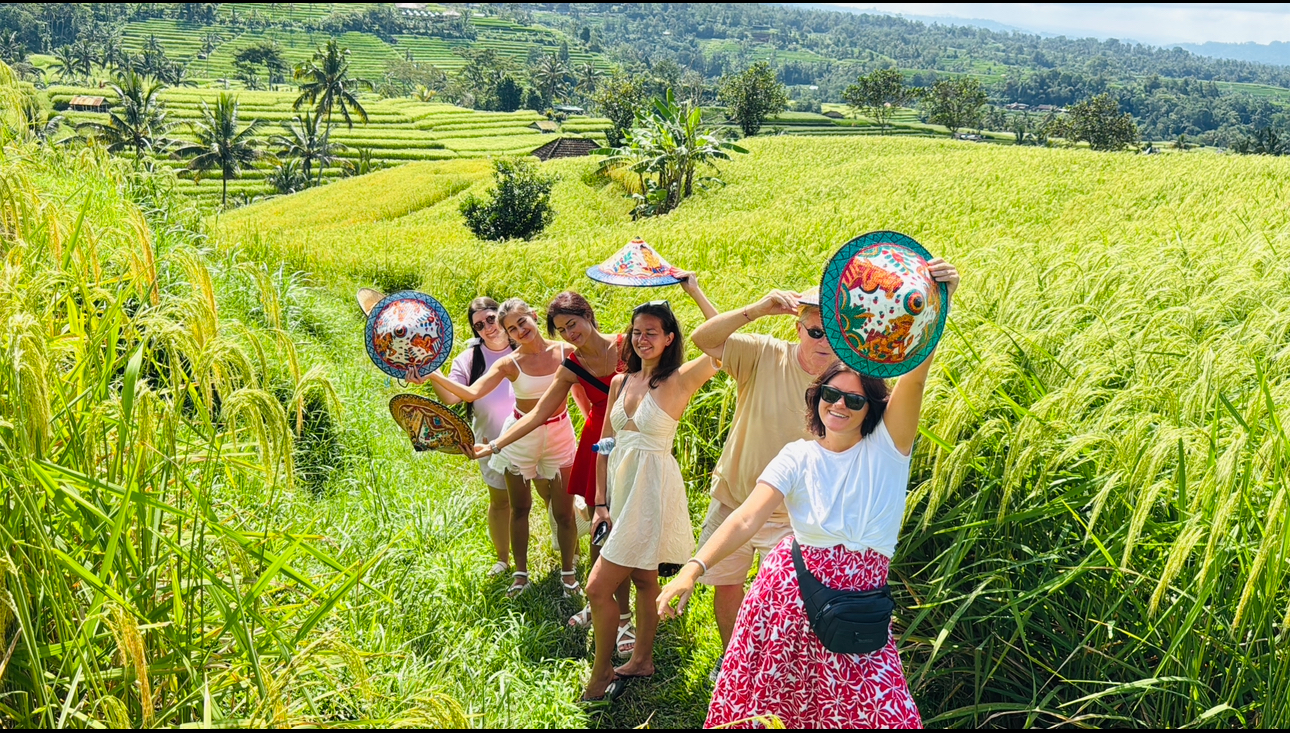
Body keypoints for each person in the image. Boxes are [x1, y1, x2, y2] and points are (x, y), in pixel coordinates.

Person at [658, 258, 959, 728]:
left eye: (854, 399)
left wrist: (938, 303)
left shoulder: (887, 450)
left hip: (855, 609)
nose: (840, 405)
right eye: (830, 395)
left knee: (882, 713)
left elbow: (915, 376)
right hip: (782, 604)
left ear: (872, 407)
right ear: (816, 399)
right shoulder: (797, 456)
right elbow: (745, 517)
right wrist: (692, 569)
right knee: (777, 711)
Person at [477, 276, 717, 645]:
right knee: (601, 528)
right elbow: (539, 412)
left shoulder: (628, 345)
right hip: (601, 442)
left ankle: (623, 613)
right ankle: (603, 604)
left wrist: (693, 291)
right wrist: (495, 445)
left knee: (635, 536)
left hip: (639, 444)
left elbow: (708, 353)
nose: (569, 333)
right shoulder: (573, 363)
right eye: (561, 329)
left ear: (589, 316)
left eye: (573, 323)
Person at [687, 285, 839, 679]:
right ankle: (733, 660)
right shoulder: (764, 352)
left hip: (796, 516)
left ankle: (777, 670)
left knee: (788, 600)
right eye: (815, 331)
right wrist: (758, 309)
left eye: (835, 333)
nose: (824, 342)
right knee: (727, 585)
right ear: (798, 328)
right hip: (735, 499)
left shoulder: (848, 385)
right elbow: (704, 339)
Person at [581, 301, 721, 702]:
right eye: (637, 332)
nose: (642, 339)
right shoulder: (620, 382)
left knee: (597, 588)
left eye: (652, 333)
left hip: (652, 491)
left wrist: (695, 291)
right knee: (643, 579)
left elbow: (721, 342)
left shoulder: (679, 379)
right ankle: (642, 659)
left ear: (669, 338)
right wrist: (601, 503)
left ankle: (602, 673)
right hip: (620, 491)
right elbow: (605, 445)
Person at [420, 298, 579, 598]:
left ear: (534, 316)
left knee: (564, 512)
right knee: (520, 508)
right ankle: (520, 575)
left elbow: (594, 376)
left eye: (522, 322)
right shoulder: (509, 363)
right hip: (519, 438)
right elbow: (471, 393)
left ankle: (569, 574)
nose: (520, 331)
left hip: (560, 435)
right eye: (512, 329)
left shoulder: (565, 352)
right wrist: (431, 373)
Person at [425, 297, 519, 577]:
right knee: (501, 501)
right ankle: (503, 559)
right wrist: (432, 374)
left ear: (501, 316)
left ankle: (567, 555)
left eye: (491, 319)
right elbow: (452, 397)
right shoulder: (469, 358)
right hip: (489, 443)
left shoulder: (523, 346)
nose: (488, 327)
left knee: (548, 496)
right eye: (479, 325)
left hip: (532, 436)